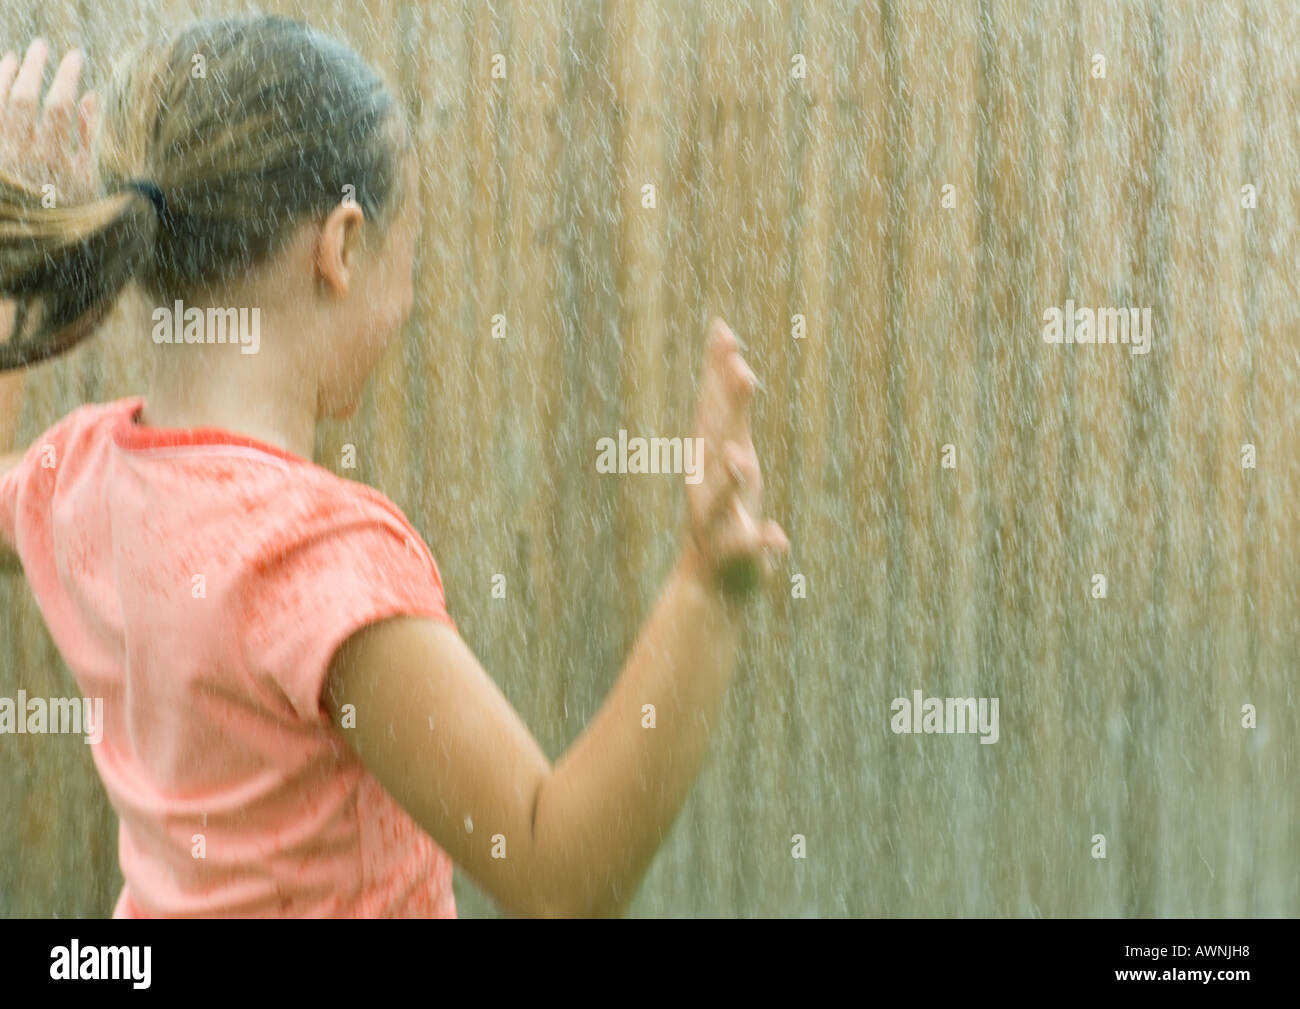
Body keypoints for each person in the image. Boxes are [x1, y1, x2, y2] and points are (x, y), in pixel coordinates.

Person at [0, 16, 788, 918]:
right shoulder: (315, 561)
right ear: (341, 246)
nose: (407, 299)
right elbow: (556, 870)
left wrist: (13, 273)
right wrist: (705, 589)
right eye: (407, 257)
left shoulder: (79, 478)